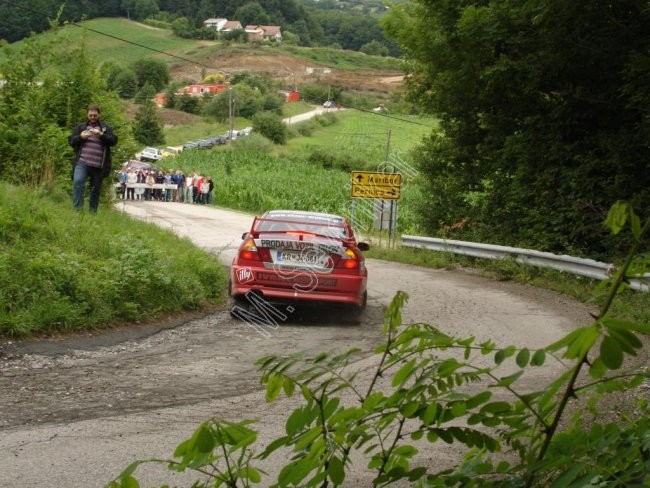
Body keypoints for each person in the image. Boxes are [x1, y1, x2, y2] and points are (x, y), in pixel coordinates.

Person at [69, 104, 118, 213]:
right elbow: (71, 141)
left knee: (95, 189)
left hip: (98, 166)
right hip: (82, 162)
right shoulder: (81, 127)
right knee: (78, 182)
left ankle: (92, 213)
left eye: (95, 115)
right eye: (90, 115)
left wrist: (101, 135)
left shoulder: (105, 128)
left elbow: (113, 141)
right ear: (87, 115)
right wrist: (81, 137)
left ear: (99, 115)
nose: (92, 117)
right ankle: (78, 211)